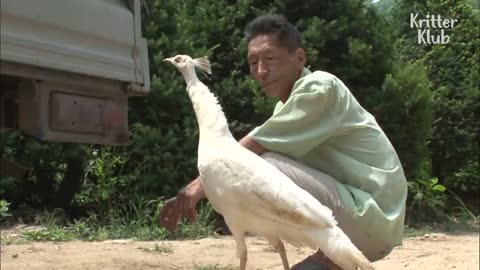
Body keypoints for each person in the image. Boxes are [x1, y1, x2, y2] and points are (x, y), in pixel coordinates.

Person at [159, 14, 407, 270]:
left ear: (299, 58)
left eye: (270, 59)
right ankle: (328, 259)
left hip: (371, 216)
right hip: (361, 213)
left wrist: (194, 190)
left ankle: (332, 256)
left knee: (263, 165)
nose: (260, 71)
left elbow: (246, 152)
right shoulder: (284, 106)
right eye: (253, 62)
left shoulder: (319, 87)